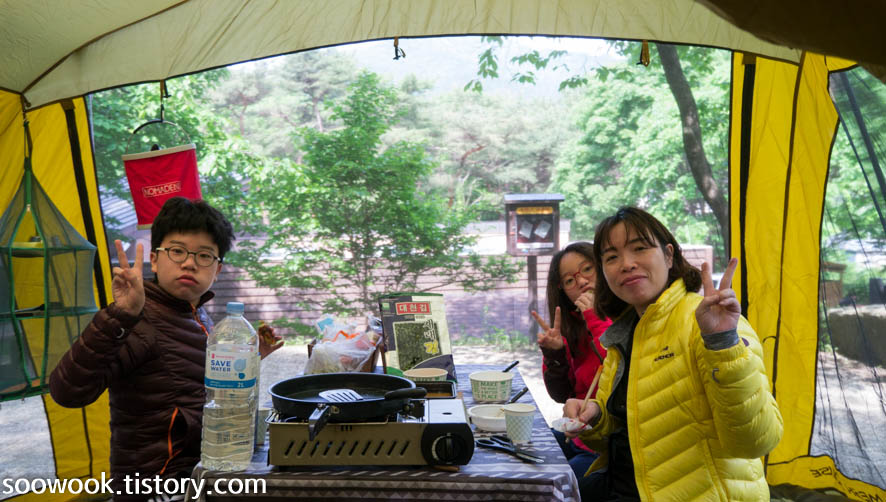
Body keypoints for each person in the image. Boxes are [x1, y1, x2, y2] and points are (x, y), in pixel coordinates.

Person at [49, 197, 284, 502]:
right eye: (177, 251)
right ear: (155, 259)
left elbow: (193, 381)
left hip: (195, 476)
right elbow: (68, 392)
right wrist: (120, 315)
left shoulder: (195, 314)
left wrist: (252, 357)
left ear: (217, 269)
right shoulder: (137, 319)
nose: (189, 263)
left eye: (204, 255)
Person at [563, 206, 783, 501]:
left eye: (639, 248)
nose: (626, 264)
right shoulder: (624, 335)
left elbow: (755, 442)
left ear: (668, 256)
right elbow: (631, 434)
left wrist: (722, 343)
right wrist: (596, 416)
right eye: (612, 257)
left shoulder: (708, 322)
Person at [531, 242, 611, 479]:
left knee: (554, 482)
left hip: (606, 447)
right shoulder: (577, 326)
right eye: (569, 280)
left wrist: (595, 319)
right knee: (521, 447)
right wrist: (555, 355)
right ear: (564, 293)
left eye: (587, 269)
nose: (582, 281)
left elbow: (618, 367)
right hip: (578, 437)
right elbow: (561, 395)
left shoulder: (629, 316)